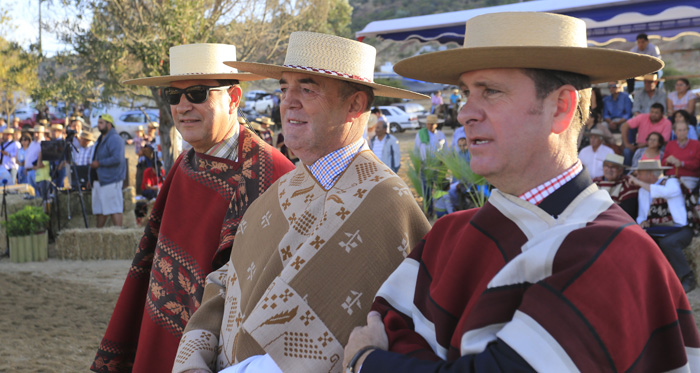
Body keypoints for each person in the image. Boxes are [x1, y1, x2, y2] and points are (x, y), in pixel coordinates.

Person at [344, 12, 698, 371]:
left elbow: (381, 338)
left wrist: (368, 361)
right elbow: (387, 320)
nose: (465, 112)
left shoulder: (614, 253)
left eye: (491, 91)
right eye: (466, 93)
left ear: (561, 107)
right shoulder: (450, 233)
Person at [172, 31, 431, 373]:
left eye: (307, 89)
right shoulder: (279, 192)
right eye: (284, 88)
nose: (288, 101)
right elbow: (224, 284)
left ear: (355, 105)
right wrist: (193, 362)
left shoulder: (387, 205)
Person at [91, 44, 294, 373]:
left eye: (198, 93)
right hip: (164, 341)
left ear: (234, 98)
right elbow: (152, 263)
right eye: (174, 95)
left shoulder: (274, 175)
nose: (183, 106)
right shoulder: (184, 166)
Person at [629, 160, 697, 293]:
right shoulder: (643, 190)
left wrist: (639, 183)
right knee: (640, 241)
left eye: (639, 174)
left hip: (682, 228)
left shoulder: (672, 181)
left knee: (668, 243)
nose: (637, 176)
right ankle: (650, 279)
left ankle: (688, 277)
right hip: (657, 229)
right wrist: (642, 222)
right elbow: (642, 215)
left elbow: (664, 193)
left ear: (649, 174)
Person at [89, 113, 126, 227]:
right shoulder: (100, 139)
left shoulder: (114, 138)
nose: (98, 125)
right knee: (100, 210)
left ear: (109, 125)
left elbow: (117, 159)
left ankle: (120, 235)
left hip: (111, 179)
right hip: (100, 179)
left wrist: (99, 163)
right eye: (98, 123)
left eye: (101, 123)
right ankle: (100, 235)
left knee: (114, 209)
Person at [593, 153, 639, 218]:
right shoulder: (595, 182)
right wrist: (613, 204)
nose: (609, 169)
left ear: (620, 170)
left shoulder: (627, 183)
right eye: (606, 166)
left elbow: (628, 209)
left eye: (613, 167)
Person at [663, 120, 700, 190]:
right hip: (672, 178)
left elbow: (697, 164)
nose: (682, 133)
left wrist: (682, 163)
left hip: (689, 178)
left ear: (688, 131)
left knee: (672, 189)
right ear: (675, 132)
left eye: (684, 130)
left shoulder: (696, 144)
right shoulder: (670, 144)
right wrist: (667, 160)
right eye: (679, 130)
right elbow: (663, 164)